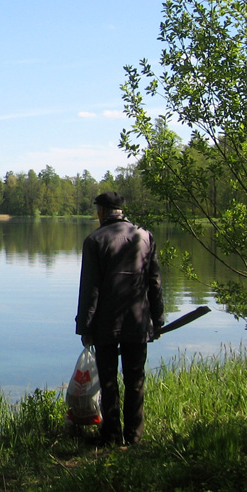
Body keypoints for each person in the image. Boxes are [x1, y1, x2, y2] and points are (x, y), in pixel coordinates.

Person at [75, 191, 164, 446]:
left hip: (106, 323)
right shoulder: (144, 236)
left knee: (108, 380)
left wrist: (84, 325)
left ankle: (112, 436)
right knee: (135, 379)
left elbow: (89, 288)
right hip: (138, 321)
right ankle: (134, 437)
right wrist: (158, 320)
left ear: (102, 211)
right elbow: (154, 282)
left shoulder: (94, 240)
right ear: (121, 210)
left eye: (97, 210)